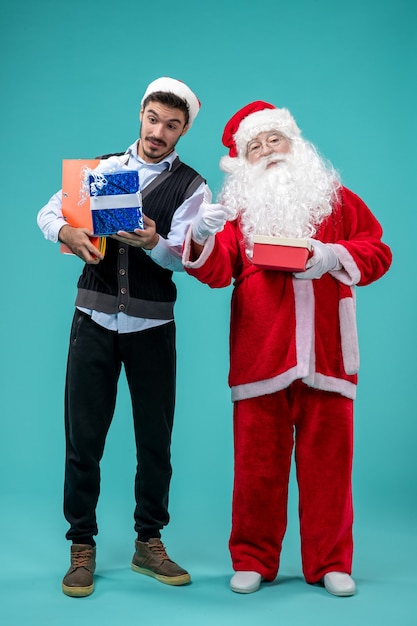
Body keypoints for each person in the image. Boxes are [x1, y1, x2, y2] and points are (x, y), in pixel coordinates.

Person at [183, 101, 392, 597]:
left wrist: (331, 255)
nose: (266, 151)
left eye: (273, 139)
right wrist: (202, 235)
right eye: (253, 146)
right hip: (262, 353)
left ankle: (331, 562)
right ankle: (253, 558)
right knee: (256, 467)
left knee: (330, 467)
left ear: (293, 143)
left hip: (328, 353)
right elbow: (216, 273)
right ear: (243, 161)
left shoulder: (337, 201)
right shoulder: (238, 211)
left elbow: (378, 248)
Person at [38, 77, 207, 597]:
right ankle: (81, 546)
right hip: (92, 319)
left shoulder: (193, 187)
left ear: (183, 131)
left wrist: (158, 242)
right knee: (82, 437)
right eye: (153, 119)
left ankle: (148, 541)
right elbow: (48, 214)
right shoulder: (104, 169)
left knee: (155, 441)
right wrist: (67, 232)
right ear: (142, 116)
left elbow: (190, 259)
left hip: (152, 326)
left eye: (172, 125)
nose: (159, 132)